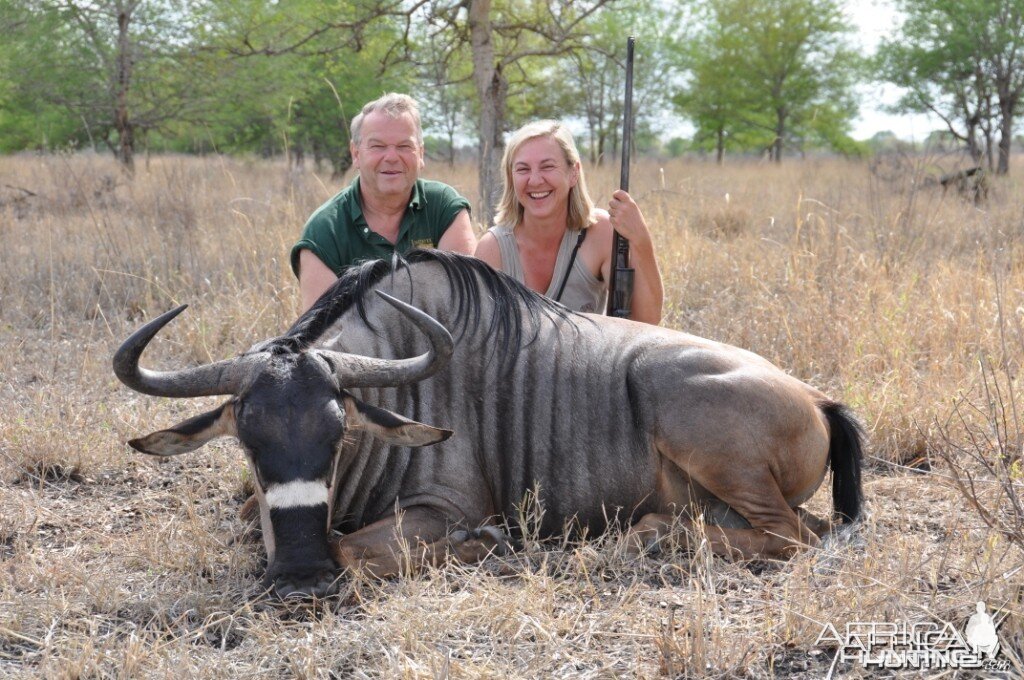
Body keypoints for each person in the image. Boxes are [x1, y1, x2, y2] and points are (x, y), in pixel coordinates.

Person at [290, 93, 477, 312]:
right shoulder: (324, 230)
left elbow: (465, 306)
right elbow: (321, 335)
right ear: (356, 154)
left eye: (404, 146)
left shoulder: (445, 208)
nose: (391, 157)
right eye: (378, 146)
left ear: (421, 154)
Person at [475, 120, 663, 324]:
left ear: (573, 173)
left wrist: (641, 240)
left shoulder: (602, 232)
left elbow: (647, 323)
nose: (535, 180)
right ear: (511, 178)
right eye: (523, 169)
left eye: (547, 166)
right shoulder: (492, 248)